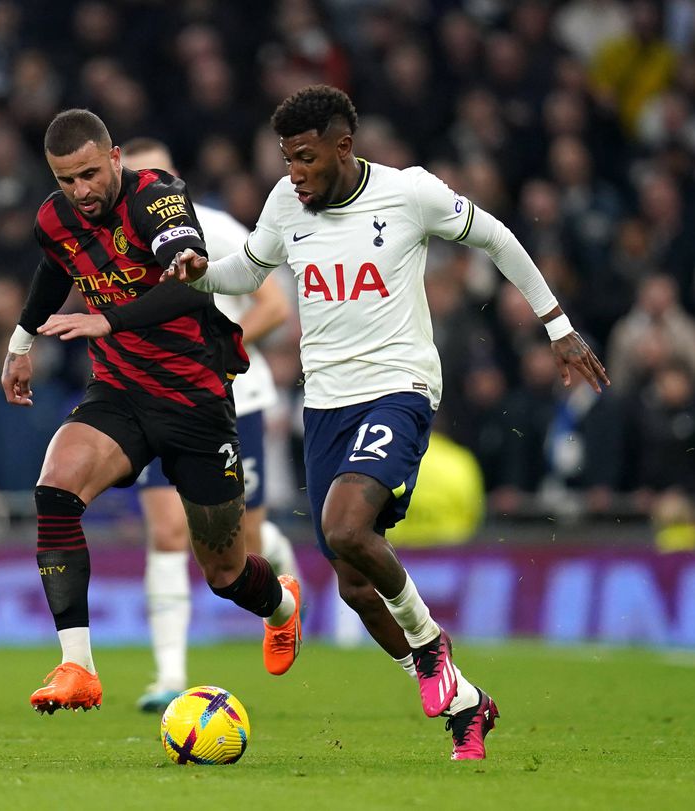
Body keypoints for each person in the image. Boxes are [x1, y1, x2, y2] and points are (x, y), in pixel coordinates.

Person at [168, 85, 610, 760]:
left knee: (348, 526)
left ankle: (433, 648)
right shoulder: (286, 204)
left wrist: (558, 325)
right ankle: (465, 702)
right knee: (351, 579)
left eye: (307, 158)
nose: (295, 174)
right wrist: (198, 275)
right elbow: (248, 268)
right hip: (324, 403)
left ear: (344, 147)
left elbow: (496, 235)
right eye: (288, 159)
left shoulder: (410, 194)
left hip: (398, 388)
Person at [0, 110, 301, 715]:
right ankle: (77, 667)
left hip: (196, 403)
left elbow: (188, 281)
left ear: (115, 159)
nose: (80, 192)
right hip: (120, 395)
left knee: (225, 570)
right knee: (55, 490)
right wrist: (21, 344)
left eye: (89, 174)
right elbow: (53, 267)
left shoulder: (158, 199)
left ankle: (283, 606)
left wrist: (107, 317)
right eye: (66, 180)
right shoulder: (55, 220)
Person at [119, 137, 301, 713]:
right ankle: (168, 676)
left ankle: (281, 571)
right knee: (168, 533)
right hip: (153, 399)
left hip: (231, 399)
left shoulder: (214, 228)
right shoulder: (116, 242)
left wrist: (219, 352)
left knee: (232, 541)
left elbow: (273, 305)